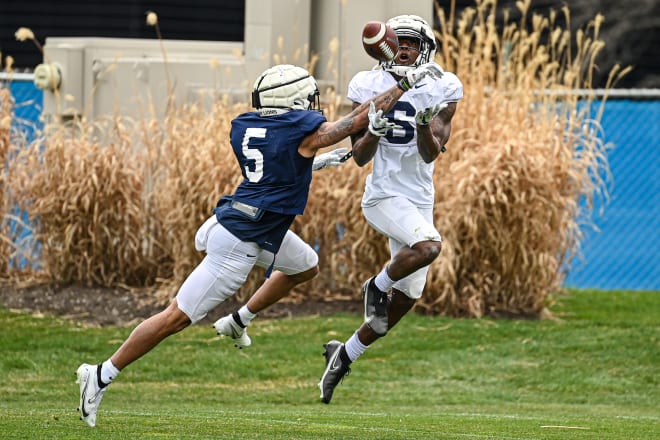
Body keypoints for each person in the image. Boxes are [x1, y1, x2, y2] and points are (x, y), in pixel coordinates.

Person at [76, 62, 442, 427]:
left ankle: (239, 319)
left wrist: (314, 163)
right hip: (242, 240)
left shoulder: (246, 125)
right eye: (308, 98)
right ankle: (101, 373)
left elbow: (275, 166)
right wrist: (403, 84)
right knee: (176, 317)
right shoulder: (301, 129)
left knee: (304, 264)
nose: (314, 105)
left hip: (251, 222)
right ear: (294, 100)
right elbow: (354, 122)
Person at [317, 14, 464, 404]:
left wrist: (422, 124)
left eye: (413, 43)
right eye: (400, 41)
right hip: (382, 197)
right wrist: (375, 132)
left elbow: (432, 153)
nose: (404, 48)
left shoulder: (443, 86)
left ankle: (343, 355)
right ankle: (374, 286)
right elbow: (360, 157)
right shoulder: (368, 84)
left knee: (406, 300)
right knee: (430, 247)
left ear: (426, 49)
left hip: (418, 199)